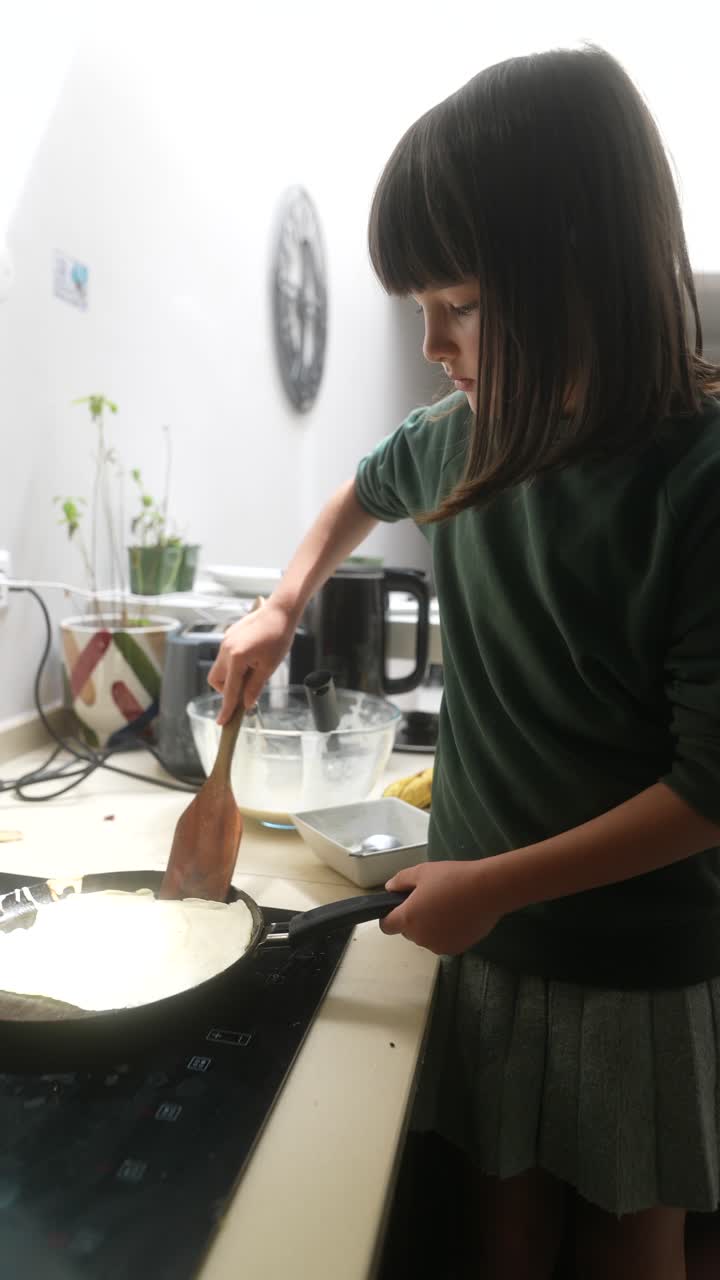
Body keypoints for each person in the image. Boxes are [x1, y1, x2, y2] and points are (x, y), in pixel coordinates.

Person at [208, 44, 720, 1280]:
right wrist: (280, 601)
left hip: (630, 962)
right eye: (418, 309)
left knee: (622, 1239)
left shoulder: (696, 482)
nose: (435, 344)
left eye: (463, 302)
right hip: (482, 938)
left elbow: (710, 790)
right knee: (498, 1226)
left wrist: (496, 882)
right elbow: (357, 490)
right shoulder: (456, 440)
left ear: (584, 268)